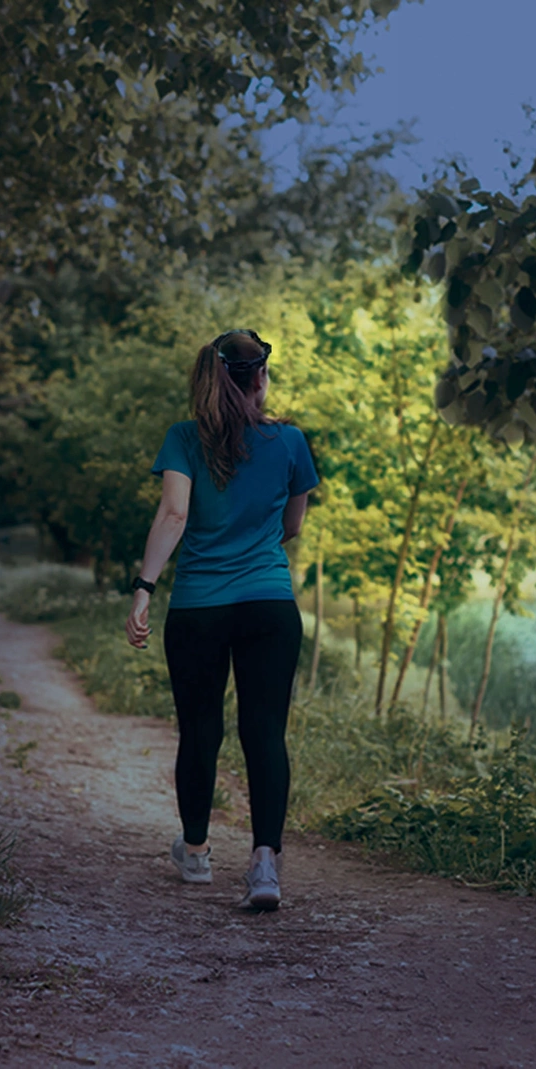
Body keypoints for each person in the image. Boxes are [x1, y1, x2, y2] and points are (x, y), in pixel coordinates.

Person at [125, 328, 317, 912]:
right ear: (260, 377)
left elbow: (175, 513)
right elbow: (292, 527)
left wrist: (143, 588)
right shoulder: (290, 442)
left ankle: (198, 853)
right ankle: (264, 864)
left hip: (198, 608)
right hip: (269, 605)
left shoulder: (183, 439)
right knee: (264, 732)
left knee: (201, 730)